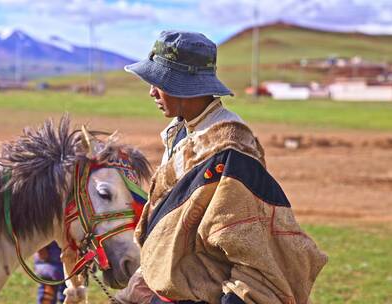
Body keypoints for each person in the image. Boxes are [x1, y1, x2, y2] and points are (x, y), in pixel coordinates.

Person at [115, 30, 327, 304]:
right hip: (171, 288)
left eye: (159, 83)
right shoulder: (180, 132)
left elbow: (249, 248)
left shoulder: (230, 150)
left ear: (184, 85)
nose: (152, 92)